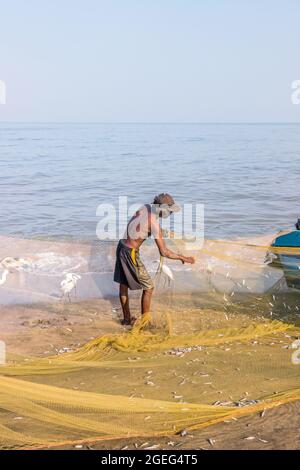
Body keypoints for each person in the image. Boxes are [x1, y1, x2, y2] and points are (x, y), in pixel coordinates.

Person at [113, 193, 195, 325]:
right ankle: (145, 322)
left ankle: (127, 319)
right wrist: (183, 257)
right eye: (169, 211)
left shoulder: (144, 208)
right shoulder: (154, 223)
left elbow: (141, 227)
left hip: (121, 246)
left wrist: (163, 232)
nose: (171, 214)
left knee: (123, 286)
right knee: (149, 288)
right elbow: (164, 252)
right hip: (131, 253)